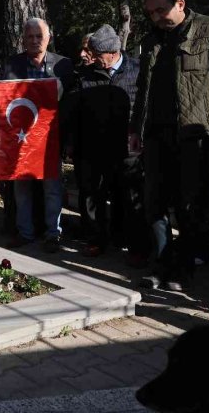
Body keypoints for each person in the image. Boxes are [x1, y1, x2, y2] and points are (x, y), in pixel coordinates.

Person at [130, 0, 209, 291]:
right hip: (156, 135)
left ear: (180, 3)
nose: (156, 17)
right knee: (153, 203)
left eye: (161, 9)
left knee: (190, 205)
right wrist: (135, 129)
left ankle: (182, 269)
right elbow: (143, 91)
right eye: (151, 12)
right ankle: (162, 263)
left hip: (194, 135)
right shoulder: (151, 41)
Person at [0, 18, 73, 252]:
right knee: (21, 188)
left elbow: (70, 102)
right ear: (23, 39)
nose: (35, 41)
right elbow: (1, 93)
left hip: (50, 139)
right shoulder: (12, 64)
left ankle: (53, 235)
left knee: (52, 188)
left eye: (39, 36)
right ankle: (25, 233)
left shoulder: (64, 65)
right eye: (30, 37)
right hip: (21, 140)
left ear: (49, 38)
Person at [65, 24, 148, 261]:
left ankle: (132, 243)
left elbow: (145, 105)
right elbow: (73, 112)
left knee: (129, 196)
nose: (91, 58)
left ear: (113, 53)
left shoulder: (137, 71)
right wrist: (72, 142)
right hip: (93, 146)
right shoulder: (85, 77)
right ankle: (95, 240)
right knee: (92, 195)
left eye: (97, 55)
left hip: (128, 147)